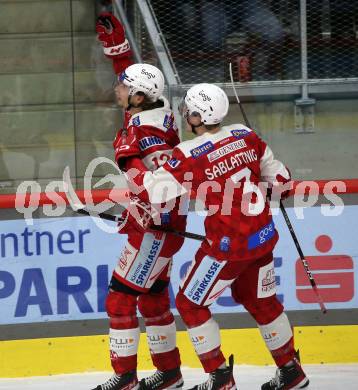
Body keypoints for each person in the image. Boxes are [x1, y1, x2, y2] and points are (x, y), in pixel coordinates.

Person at [123, 83, 310, 390]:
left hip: (227, 247)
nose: (185, 114)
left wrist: (129, 160)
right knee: (262, 302)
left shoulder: (187, 153)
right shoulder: (245, 135)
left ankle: (220, 377)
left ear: (198, 115)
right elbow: (282, 180)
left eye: (189, 110)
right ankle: (292, 371)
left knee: (189, 303)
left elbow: (153, 192)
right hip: (262, 237)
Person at [92, 13, 186, 390]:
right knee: (152, 300)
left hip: (155, 231)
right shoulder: (153, 110)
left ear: (139, 96)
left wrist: (144, 214)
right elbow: (136, 78)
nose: (118, 90)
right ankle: (170, 373)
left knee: (119, 301)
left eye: (123, 87)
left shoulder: (145, 133)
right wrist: (118, 51)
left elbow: (160, 186)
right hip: (161, 227)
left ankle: (125, 379)